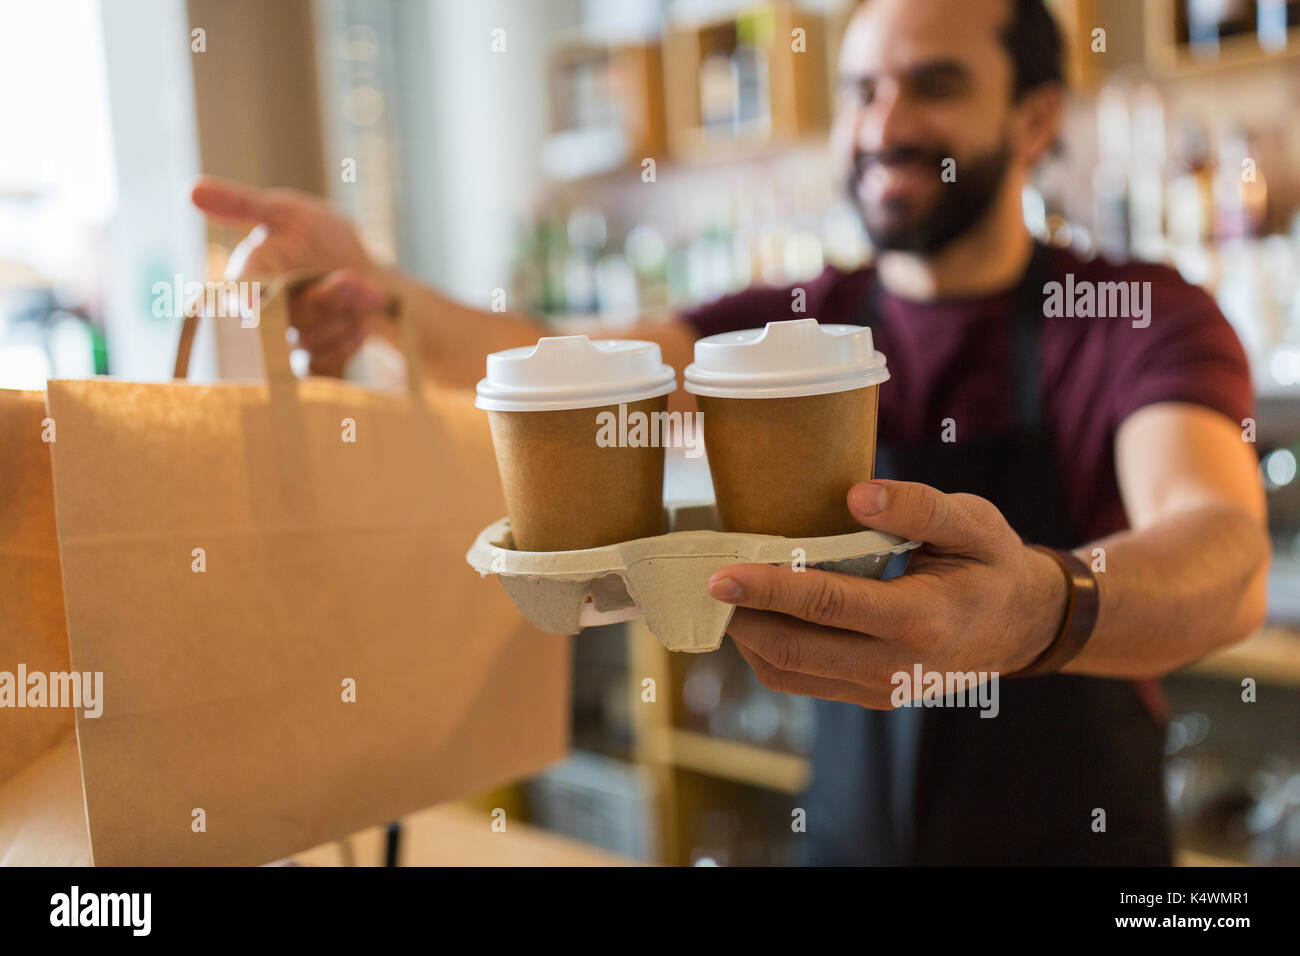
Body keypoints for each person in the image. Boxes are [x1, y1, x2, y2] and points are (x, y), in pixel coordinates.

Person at [192, 0, 1270, 865]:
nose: (882, 125)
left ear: (1034, 119)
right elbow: (561, 363)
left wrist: (1038, 605)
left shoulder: (1133, 311)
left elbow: (1221, 552)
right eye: (861, 89)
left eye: (933, 85)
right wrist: (375, 286)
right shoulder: (789, 331)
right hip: (849, 827)